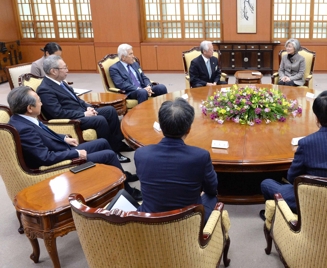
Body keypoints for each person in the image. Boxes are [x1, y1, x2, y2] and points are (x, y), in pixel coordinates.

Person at [7, 86, 142, 201]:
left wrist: (63, 138)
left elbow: (43, 133)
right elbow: (45, 157)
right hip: (58, 162)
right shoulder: (24, 129)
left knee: (102, 142)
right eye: (39, 101)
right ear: (30, 108)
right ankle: (128, 192)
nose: (42, 103)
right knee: (108, 155)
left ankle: (119, 176)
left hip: (61, 148)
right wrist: (75, 153)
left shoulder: (22, 119)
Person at [260, 91, 327, 217]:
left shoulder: (306, 143)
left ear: (317, 117)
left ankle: (276, 215)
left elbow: (292, 177)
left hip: (313, 201)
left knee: (267, 184)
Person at [134, 98, 218, 223]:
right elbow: (212, 189)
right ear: (189, 129)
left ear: (161, 126)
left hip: (151, 221)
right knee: (212, 197)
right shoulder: (200, 156)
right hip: (188, 223)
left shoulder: (141, 154)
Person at [36, 55, 132, 163]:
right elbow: (58, 113)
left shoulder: (61, 82)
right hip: (72, 119)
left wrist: (89, 107)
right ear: (53, 71)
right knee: (99, 120)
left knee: (110, 110)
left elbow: (77, 99)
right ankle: (112, 152)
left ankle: (117, 144)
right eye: (64, 68)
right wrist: (84, 114)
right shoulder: (45, 89)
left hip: (81, 112)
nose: (67, 70)